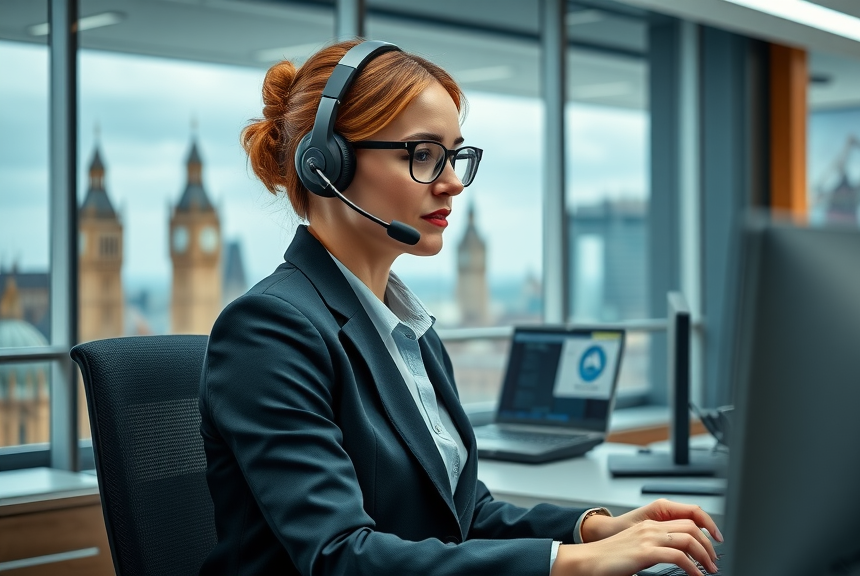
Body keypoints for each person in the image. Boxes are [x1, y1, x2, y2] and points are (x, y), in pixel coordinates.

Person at [198, 38, 723, 576]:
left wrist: (595, 529)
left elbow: (463, 513)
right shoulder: (269, 329)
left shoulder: (409, 328)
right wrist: (574, 564)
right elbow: (340, 558)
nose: (451, 183)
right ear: (326, 164)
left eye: (455, 156)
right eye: (423, 155)